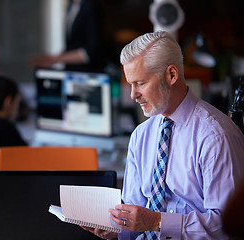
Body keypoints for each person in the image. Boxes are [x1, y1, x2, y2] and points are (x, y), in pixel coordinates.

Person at [82, 31, 244, 239]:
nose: (133, 95)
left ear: (172, 75)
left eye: (140, 83)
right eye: (130, 84)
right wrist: (116, 227)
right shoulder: (141, 135)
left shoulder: (216, 136)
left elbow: (226, 226)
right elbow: (135, 211)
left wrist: (157, 221)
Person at [31, 0, 105, 72]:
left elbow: (92, 51)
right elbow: (74, 44)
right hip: (71, 71)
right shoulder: (72, 6)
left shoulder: (91, 6)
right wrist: (52, 59)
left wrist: (55, 59)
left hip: (86, 72)